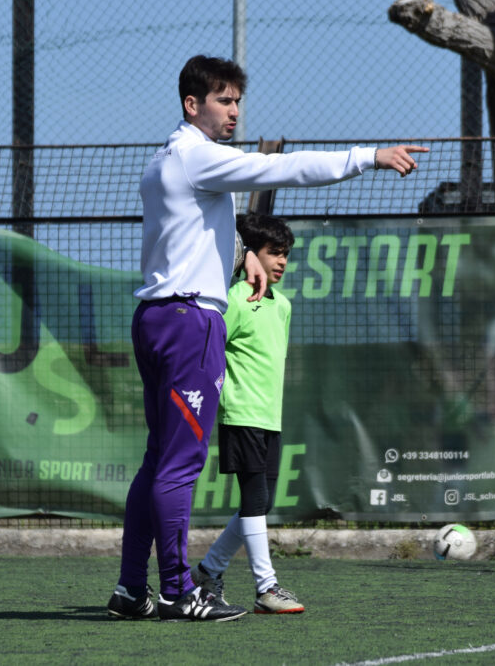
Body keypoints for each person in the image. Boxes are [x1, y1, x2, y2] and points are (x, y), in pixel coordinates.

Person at [106, 54, 427, 622]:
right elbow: (282, 169)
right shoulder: (200, 158)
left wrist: (243, 253)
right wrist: (367, 157)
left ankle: (133, 591)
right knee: (179, 466)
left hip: (156, 317)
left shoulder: (167, 159)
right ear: (192, 104)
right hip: (189, 324)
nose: (234, 112)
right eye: (224, 101)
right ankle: (180, 591)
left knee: (157, 461)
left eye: (237, 101)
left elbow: (192, 233)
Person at [189, 213, 302, 615]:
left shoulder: (284, 306)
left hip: (271, 418)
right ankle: (266, 588)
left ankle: (208, 570)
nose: (282, 262)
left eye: (286, 254)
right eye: (274, 253)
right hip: (241, 415)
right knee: (254, 498)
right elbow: (212, 352)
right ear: (250, 254)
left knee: (262, 501)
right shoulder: (234, 298)